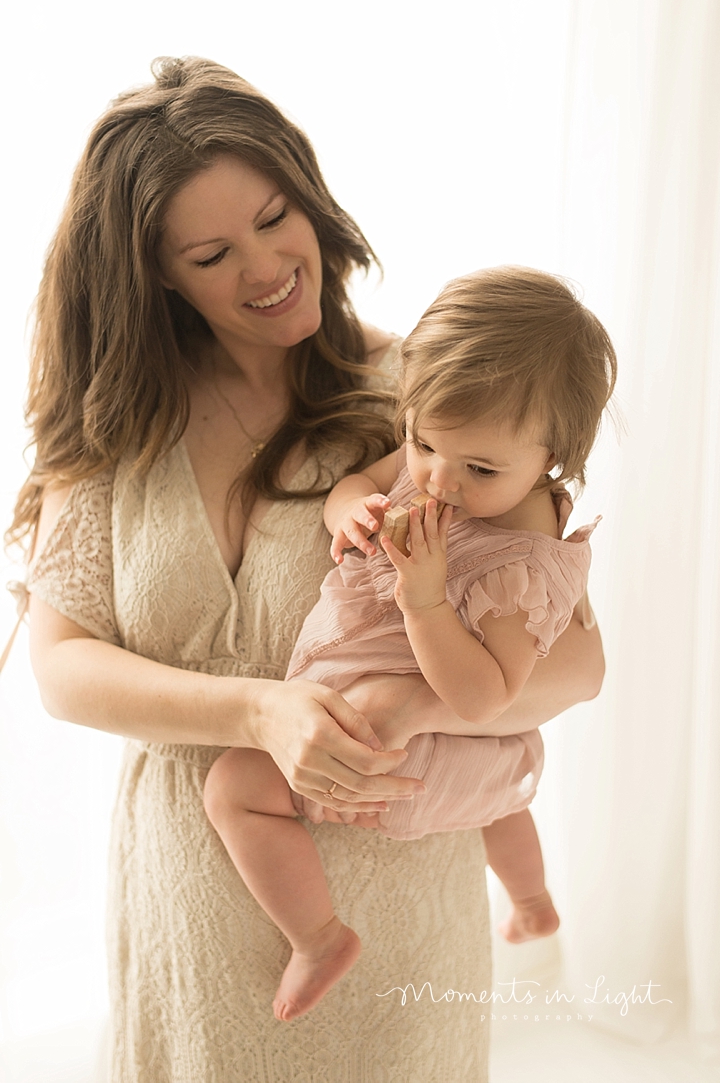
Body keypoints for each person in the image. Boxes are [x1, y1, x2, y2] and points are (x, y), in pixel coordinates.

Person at [10, 57, 606, 1083]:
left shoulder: (424, 403)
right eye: (212, 252)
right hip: (187, 929)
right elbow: (62, 669)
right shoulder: (113, 432)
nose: (267, 265)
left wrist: (416, 705)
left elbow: (580, 664)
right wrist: (259, 714)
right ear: (158, 273)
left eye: (278, 216)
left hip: (399, 927)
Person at [203, 266, 615, 1023]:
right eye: (422, 443)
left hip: (402, 749)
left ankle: (318, 938)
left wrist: (424, 599)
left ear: (552, 458)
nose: (439, 482)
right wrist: (350, 510)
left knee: (233, 789)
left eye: (481, 469)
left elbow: (488, 695)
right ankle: (532, 900)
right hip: (443, 753)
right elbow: (362, 479)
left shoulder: (519, 559)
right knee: (498, 802)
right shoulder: (442, 455)